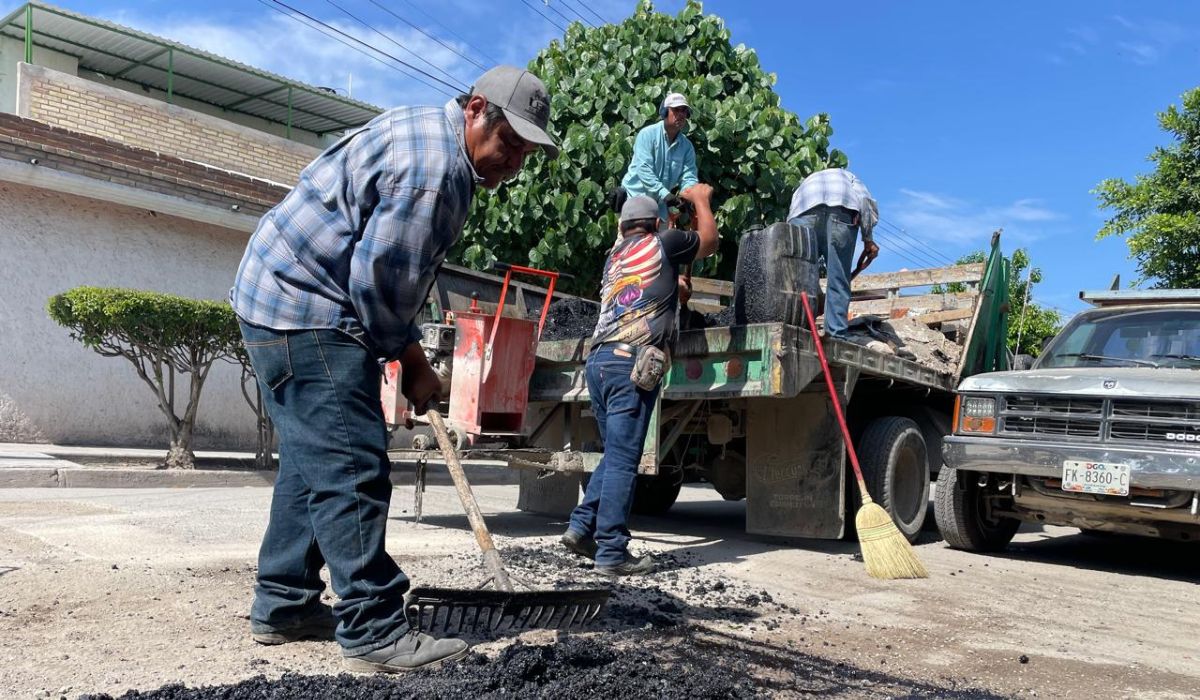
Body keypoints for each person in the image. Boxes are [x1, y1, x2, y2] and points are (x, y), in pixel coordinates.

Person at [229, 65, 557, 673]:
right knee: (353, 465)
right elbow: (379, 284)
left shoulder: (429, 136)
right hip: (307, 308)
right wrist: (411, 361)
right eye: (507, 143)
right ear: (475, 108)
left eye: (525, 153)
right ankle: (375, 630)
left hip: (277, 300)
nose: (512, 163)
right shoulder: (436, 173)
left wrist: (405, 351)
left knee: (314, 460)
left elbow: (389, 276)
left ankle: (284, 603)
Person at [561, 188, 718, 576]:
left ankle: (582, 527)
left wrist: (673, 289)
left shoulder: (614, 258)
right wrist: (700, 200)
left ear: (623, 226)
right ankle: (612, 551)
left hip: (598, 363)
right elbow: (710, 243)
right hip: (630, 363)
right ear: (656, 223)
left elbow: (639, 291)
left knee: (615, 452)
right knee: (624, 459)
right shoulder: (663, 241)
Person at [787, 168, 881, 339]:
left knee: (799, 278)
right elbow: (866, 203)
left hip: (803, 212)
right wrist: (868, 238)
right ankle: (836, 334)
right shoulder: (851, 178)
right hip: (841, 210)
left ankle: (797, 331)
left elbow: (792, 213)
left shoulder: (808, 181)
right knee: (838, 278)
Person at [619, 92, 700, 223]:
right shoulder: (647, 135)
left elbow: (689, 176)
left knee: (660, 243)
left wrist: (687, 196)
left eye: (684, 110)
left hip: (659, 210)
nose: (681, 114)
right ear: (664, 112)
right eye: (675, 109)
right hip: (635, 203)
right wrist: (666, 195)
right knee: (630, 243)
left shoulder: (687, 147)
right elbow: (644, 170)